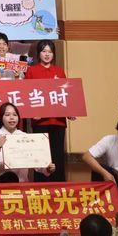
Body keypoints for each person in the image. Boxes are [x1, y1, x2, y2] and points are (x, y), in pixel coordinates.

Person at [25, 39, 72, 182]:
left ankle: (59, 185)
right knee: (41, 154)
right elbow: (27, 94)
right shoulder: (32, 71)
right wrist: (32, 113)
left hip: (58, 120)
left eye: (50, 52)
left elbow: (65, 94)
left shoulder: (59, 71)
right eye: (44, 51)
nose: (47, 54)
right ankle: (41, 185)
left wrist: (70, 111)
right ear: (38, 53)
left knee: (57, 154)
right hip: (40, 121)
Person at [0, 102, 55, 183]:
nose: (12, 117)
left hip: (21, 185)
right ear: (1, 118)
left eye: (15, 115)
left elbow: (35, 160)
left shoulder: (25, 137)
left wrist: (47, 168)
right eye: (7, 115)